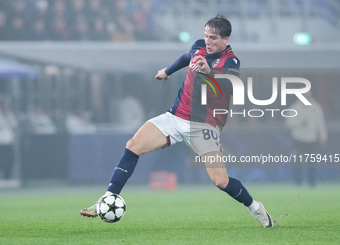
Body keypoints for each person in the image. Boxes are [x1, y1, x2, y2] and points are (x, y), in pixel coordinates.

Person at [80, 15, 274, 228]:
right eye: (206, 36)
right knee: (133, 146)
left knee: (220, 181)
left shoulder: (230, 61)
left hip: (204, 125)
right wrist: (167, 71)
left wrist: (210, 72)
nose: (208, 41)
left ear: (225, 40)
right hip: (175, 117)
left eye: (214, 38)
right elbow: (185, 57)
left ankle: (255, 207)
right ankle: (107, 199)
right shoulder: (199, 47)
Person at [285, 91, 328, 187]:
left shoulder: (316, 107)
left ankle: (312, 183)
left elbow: (321, 123)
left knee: (311, 162)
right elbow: (288, 123)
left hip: (312, 138)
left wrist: (323, 136)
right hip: (298, 138)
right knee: (297, 162)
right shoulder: (294, 107)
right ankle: (297, 182)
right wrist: (300, 122)